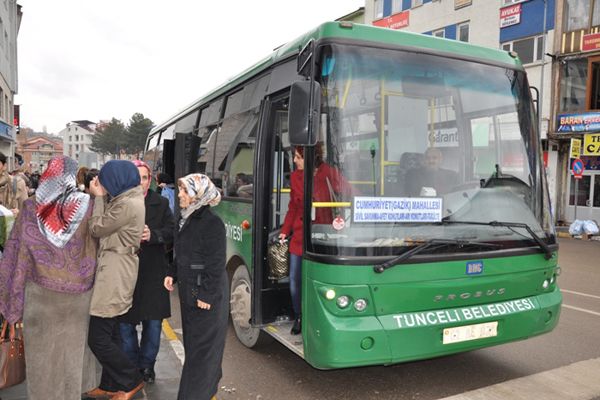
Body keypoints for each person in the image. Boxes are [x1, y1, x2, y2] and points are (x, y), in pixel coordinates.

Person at [0, 156, 99, 400]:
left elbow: (17, 255)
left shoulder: (31, 208)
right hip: (79, 299)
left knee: (42, 366)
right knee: (70, 361)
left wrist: (12, 307)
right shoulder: (89, 205)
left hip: (40, 299)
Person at [85, 160, 146, 400]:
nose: (104, 185)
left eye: (107, 181)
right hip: (116, 269)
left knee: (98, 338)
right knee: (111, 334)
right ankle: (111, 384)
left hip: (116, 273)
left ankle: (131, 380)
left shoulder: (127, 204)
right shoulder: (126, 199)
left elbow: (96, 228)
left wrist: (99, 197)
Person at [163, 173, 228, 400]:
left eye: (184, 191)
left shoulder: (212, 223)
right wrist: (172, 273)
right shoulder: (186, 217)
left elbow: (217, 262)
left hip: (204, 294)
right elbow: (183, 253)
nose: (179, 194)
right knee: (197, 348)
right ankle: (207, 386)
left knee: (202, 353)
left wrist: (208, 295)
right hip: (191, 293)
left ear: (197, 195)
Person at [278, 143, 351, 335]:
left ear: (310, 157)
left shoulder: (329, 172)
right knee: (295, 281)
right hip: (300, 236)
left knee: (318, 281)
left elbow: (350, 193)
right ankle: (299, 315)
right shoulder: (295, 177)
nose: (294, 161)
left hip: (324, 235)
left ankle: (316, 317)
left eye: (298, 157)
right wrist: (285, 231)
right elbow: (293, 207)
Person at [119, 160, 174, 384]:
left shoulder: (160, 203)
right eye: (136, 177)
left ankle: (146, 367)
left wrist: (154, 235)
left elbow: (172, 231)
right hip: (124, 273)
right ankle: (132, 365)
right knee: (124, 323)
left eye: (144, 178)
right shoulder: (118, 203)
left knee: (153, 324)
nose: (140, 182)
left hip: (153, 271)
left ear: (149, 180)